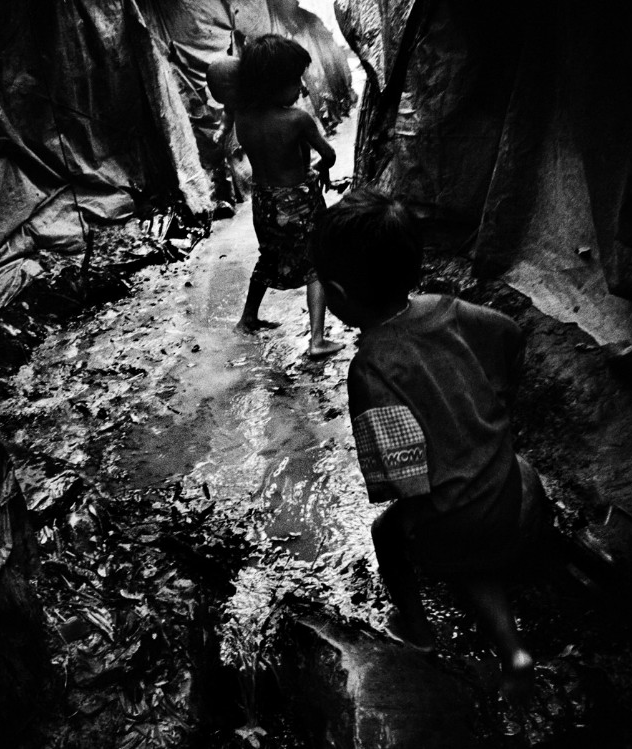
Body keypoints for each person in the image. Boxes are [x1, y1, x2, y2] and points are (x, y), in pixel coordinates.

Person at [311, 188, 553, 699]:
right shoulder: (449, 310)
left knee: (390, 534)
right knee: (491, 504)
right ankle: (514, 649)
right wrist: (500, 398)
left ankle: (419, 633)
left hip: (467, 519)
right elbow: (510, 334)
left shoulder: (371, 366)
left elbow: (403, 478)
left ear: (337, 294)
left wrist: (420, 523)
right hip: (512, 488)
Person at [232, 34, 343, 358]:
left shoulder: (243, 117)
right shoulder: (297, 119)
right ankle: (317, 340)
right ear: (273, 84)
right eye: (295, 80)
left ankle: (247, 318)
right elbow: (330, 155)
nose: (301, 87)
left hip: (264, 200)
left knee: (268, 258)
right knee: (315, 265)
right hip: (298, 199)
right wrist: (320, 168)